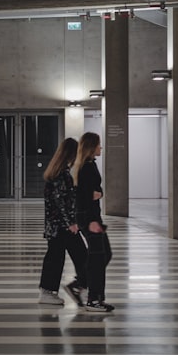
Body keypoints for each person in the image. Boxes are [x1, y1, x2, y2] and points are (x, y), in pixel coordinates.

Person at [38, 137, 88, 306]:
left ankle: (48, 292)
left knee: (54, 258)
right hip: (63, 227)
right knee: (82, 257)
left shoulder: (55, 173)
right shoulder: (62, 175)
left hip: (55, 227)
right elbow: (60, 202)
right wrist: (70, 223)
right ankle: (79, 287)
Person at [74, 131, 114, 312]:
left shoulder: (89, 165)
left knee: (104, 254)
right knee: (99, 256)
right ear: (91, 146)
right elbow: (83, 196)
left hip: (92, 216)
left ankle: (80, 284)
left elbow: (95, 191)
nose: (101, 147)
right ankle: (94, 299)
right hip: (90, 218)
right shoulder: (86, 167)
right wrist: (91, 220)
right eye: (98, 144)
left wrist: (99, 193)